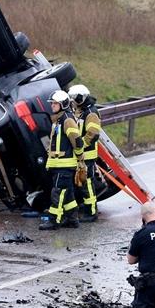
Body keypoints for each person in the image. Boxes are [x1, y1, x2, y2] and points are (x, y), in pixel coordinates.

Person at [39, 89, 83, 230]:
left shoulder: (67, 120)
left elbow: (77, 141)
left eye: (55, 104)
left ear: (63, 104)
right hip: (59, 164)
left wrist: (80, 158)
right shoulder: (59, 120)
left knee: (58, 192)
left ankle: (54, 220)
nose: (52, 106)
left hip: (64, 165)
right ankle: (72, 219)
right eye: (52, 103)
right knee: (68, 194)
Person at [69, 84, 101, 223]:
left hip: (87, 155)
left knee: (88, 184)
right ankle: (87, 208)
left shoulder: (91, 113)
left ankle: (92, 212)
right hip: (80, 155)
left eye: (74, 99)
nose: (72, 102)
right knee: (82, 183)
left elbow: (92, 134)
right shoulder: (79, 111)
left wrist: (80, 145)